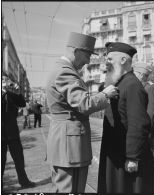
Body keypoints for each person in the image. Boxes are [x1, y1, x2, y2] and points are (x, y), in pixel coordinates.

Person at [45, 32, 118, 193]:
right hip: (69, 144)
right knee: (69, 189)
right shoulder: (65, 71)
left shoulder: (63, 69)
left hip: (67, 142)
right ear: (76, 50)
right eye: (87, 55)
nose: (88, 61)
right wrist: (105, 94)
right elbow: (83, 103)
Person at [97, 42, 154, 193]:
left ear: (123, 60)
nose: (107, 62)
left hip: (126, 155)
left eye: (110, 59)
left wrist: (132, 157)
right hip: (116, 152)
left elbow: (138, 123)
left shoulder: (132, 85)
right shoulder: (120, 83)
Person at [2, 74, 35, 189]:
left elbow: (22, 103)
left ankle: (24, 182)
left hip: (13, 133)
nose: (5, 82)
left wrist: (17, 91)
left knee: (19, 160)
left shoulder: (10, 95)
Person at [133, 63, 154, 154]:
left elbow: (152, 110)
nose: (133, 75)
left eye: (135, 73)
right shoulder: (135, 87)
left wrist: (146, 126)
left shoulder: (150, 88)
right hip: (136, 124)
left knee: (147, 151)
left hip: (145, 125)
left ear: (141, 75)